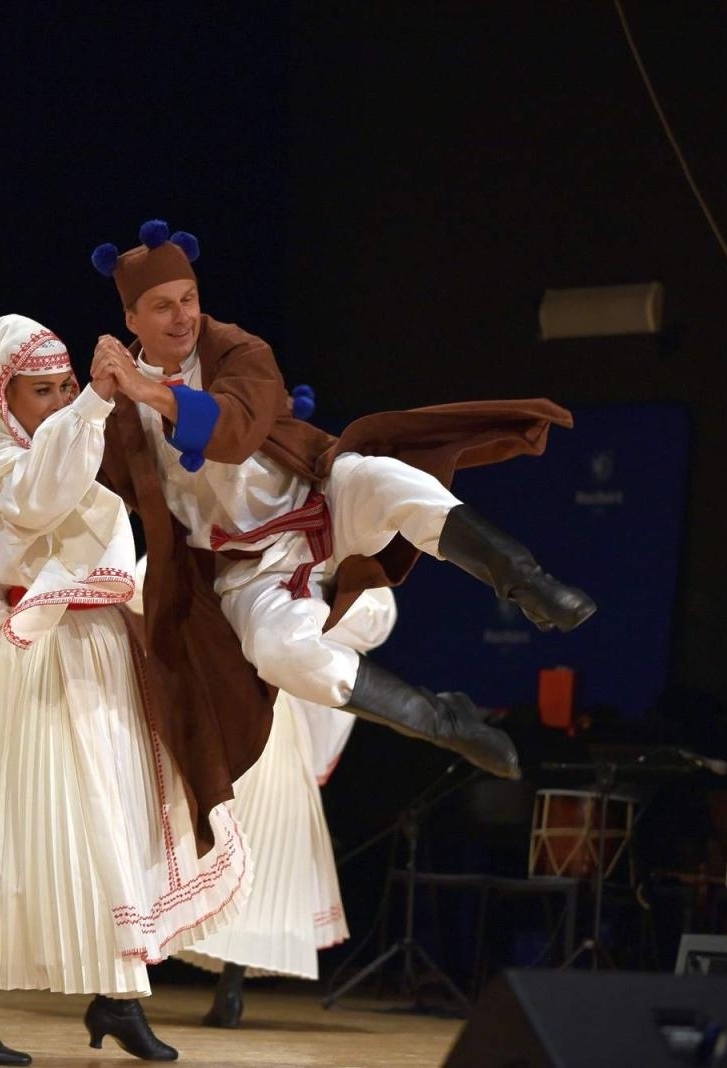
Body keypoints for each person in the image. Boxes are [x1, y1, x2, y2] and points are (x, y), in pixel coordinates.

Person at [89, 219, 595, 826]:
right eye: (163, 306)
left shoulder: (239, 350)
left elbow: (235, 428)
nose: (183, 317)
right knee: (279, 652)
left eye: (189, 299)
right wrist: (95, 401)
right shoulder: (119, 410)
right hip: (248, 573)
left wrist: (152, 393)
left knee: (384, 480)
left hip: (318, 504)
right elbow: (93, 484)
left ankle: (527, 581)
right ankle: (442, 720)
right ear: (132, 319)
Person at [0, 314, 250, 1065]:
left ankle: (118, 997)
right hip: (44, 655)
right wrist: (95, 402)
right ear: (4, 400)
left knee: (124, 815)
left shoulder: (75, 438)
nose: (61, 399)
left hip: (102, 644)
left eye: (65, 385)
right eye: (41, 391)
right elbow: (44, 495)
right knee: (36, 826)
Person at [127, 554, 397, 1027]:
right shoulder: (222, 531)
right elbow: (143, 583)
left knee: (251, 838)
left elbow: (372, 617)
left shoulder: (320, 550)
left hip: (261, 700)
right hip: (218, 691)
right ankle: (141, 978)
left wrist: (306, 606)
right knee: (196, 836)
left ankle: (215, 983)